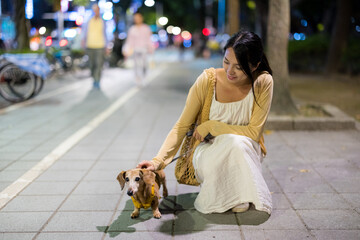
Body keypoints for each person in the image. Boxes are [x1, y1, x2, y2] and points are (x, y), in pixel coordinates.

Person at [137, 31, 274, 215]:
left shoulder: (263, 82)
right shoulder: (208, 81)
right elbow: (182, 126)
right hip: (207, 152)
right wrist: (157, 162)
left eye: (239, 67)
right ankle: (229, 191)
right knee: (234, 143)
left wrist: (212, 126)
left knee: (237, 143)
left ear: (255, 65)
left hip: (246, 151)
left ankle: (231, 192)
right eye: (226, 62)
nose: (230, 71)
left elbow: (253, 133)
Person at [122, 12, 154, 87]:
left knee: (144, 65)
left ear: (141, 18)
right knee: (136, 65)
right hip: (135, 49)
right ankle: (137, 79)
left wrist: (151, 49)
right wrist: (127, 50)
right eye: (135, 18)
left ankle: (144, 77)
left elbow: (149, 39)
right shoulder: (132, 29)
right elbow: (129, 41)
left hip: (144, 49)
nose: (137, 20)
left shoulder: (146, 28)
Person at [82, 4, 107, 89]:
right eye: (94, 10)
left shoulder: (103, 21)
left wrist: (107, 46)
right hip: (90, 45)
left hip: (100, 46)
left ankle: (97, 80)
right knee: (91, 64)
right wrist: (83, 42)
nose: (96, 12)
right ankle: (94, 77)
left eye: (97, 10)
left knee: (99, 64)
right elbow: (84, 33)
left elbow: (106, 34)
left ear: (99, 11)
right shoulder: (88, 21)